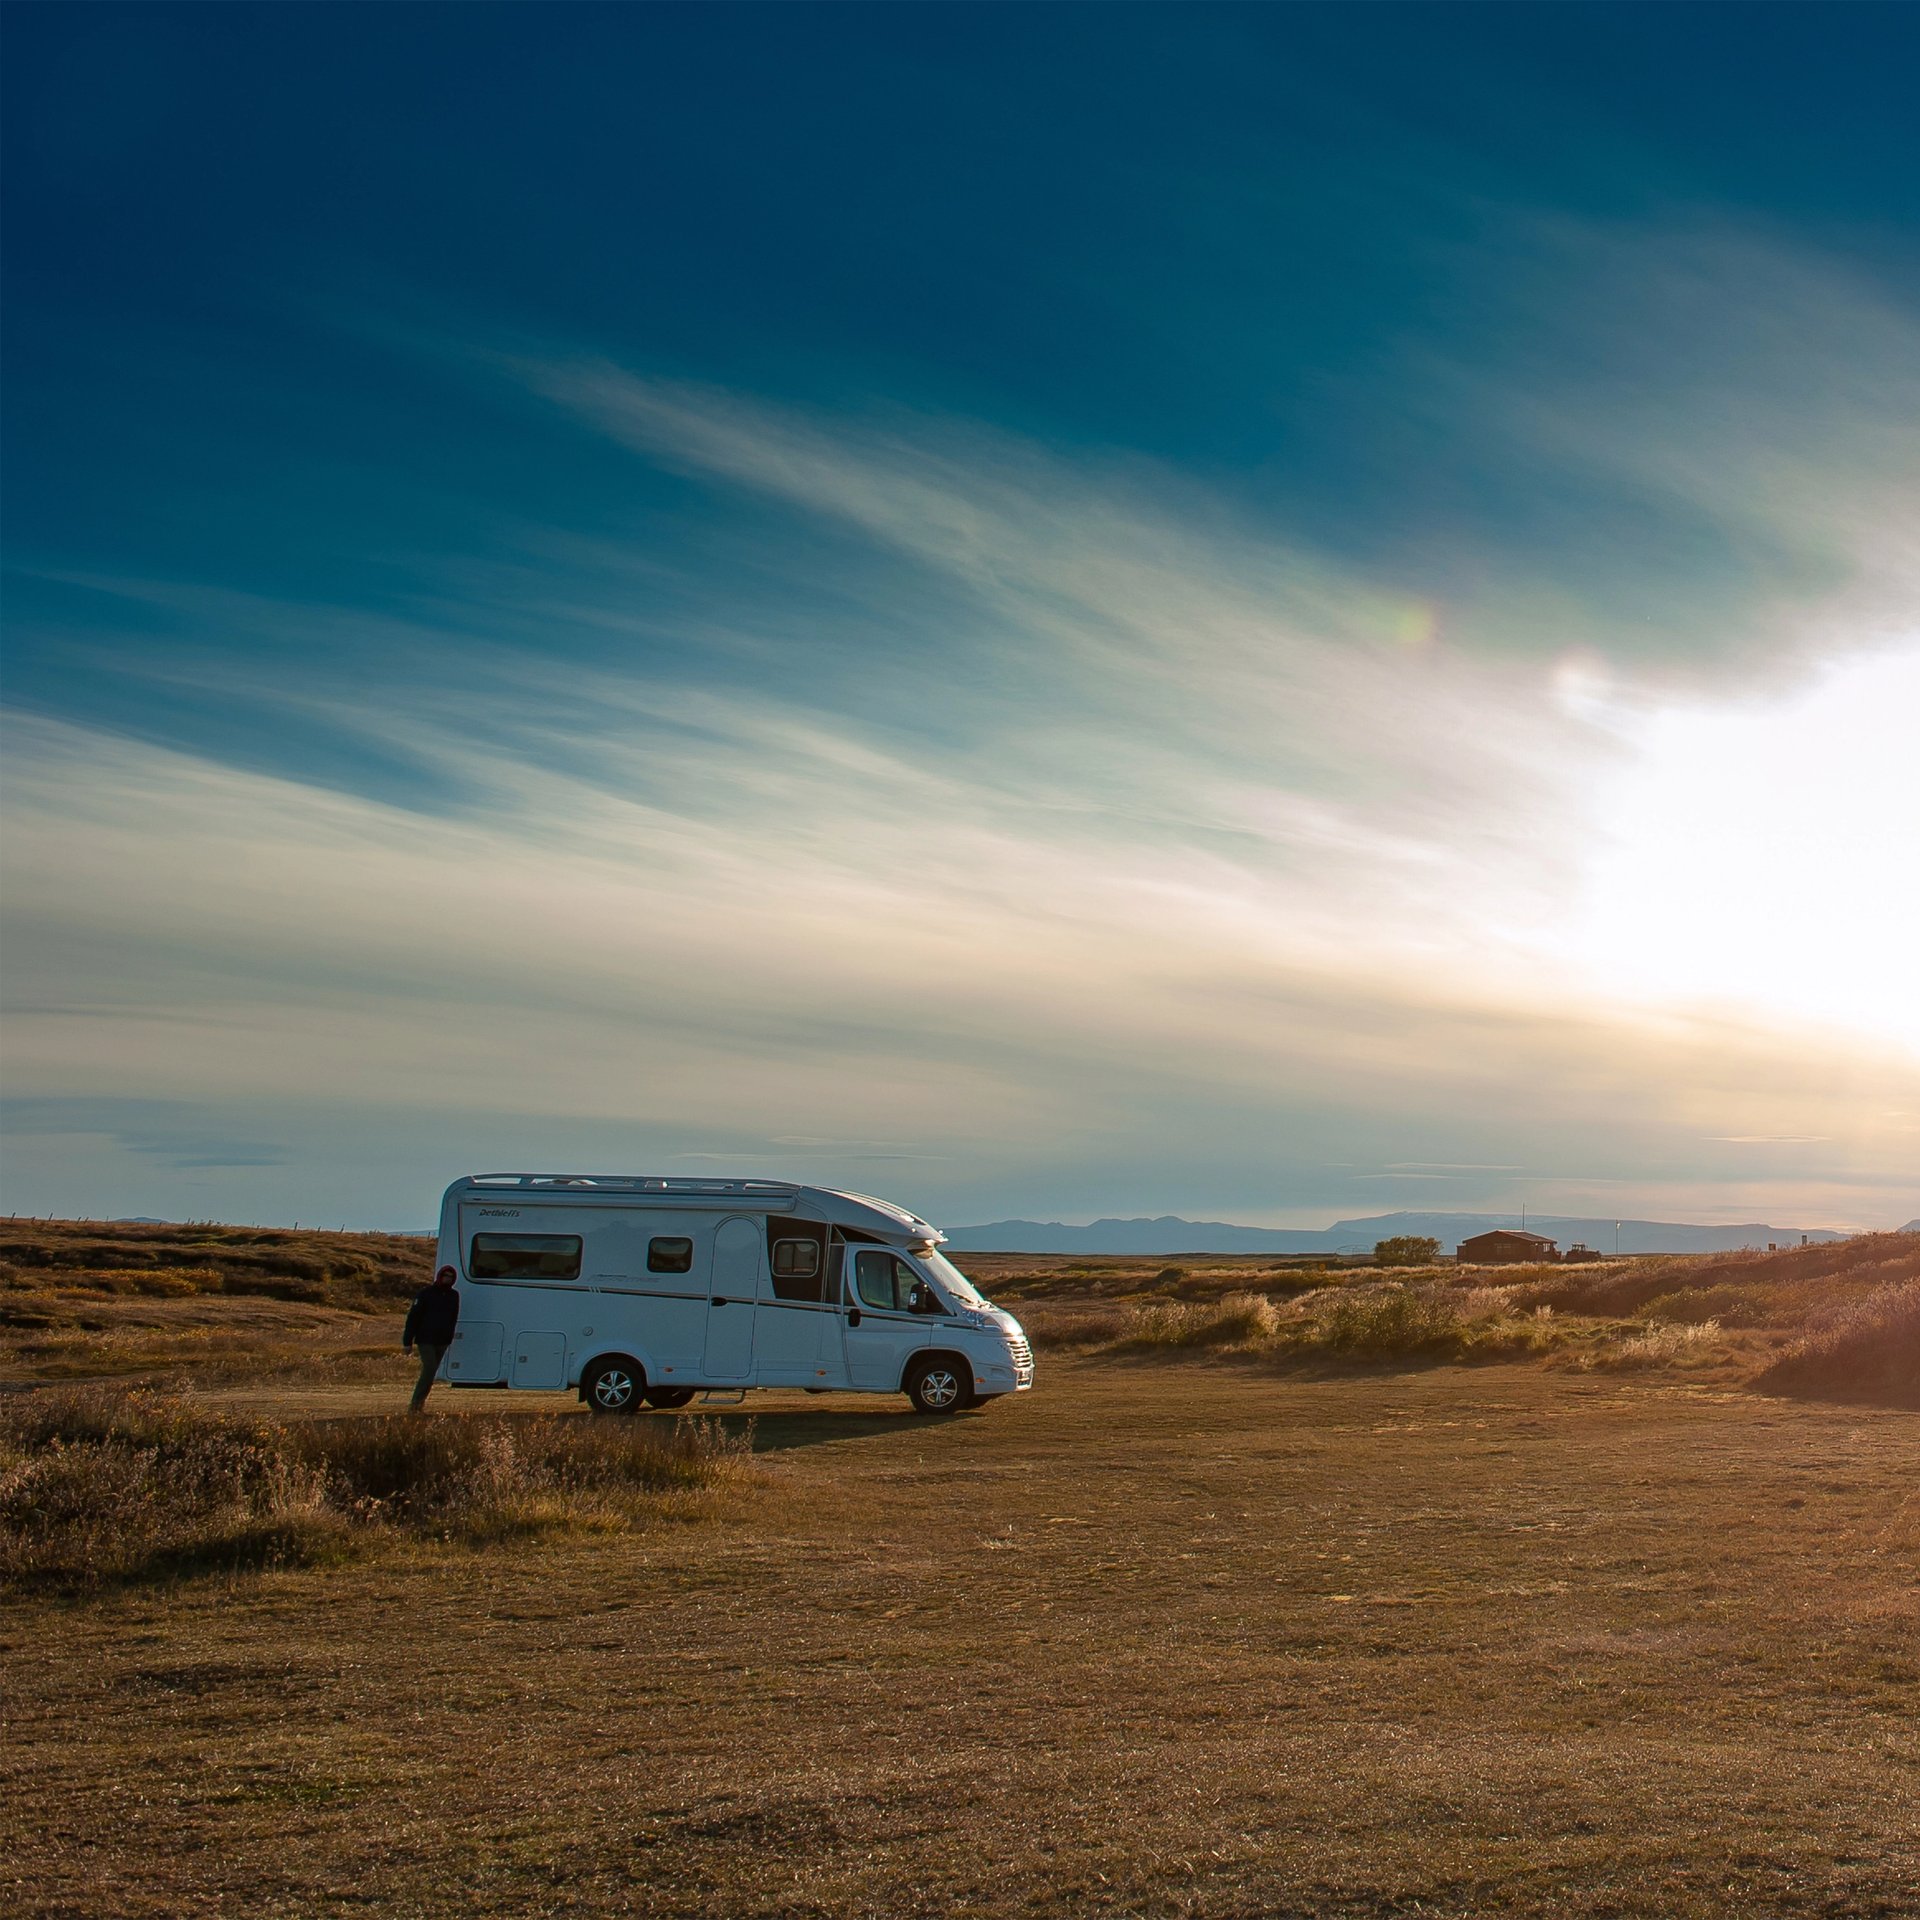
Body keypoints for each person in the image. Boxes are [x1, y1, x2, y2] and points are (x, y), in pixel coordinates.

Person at [402, 1268, 461, 1413]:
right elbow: (413, 1318)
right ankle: (415, 1404)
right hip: (425, 1338)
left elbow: (453, 1317)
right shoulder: (426, 1294)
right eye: (445, 1276)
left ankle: (419, 1405)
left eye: (451, 1276)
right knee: (429, 1368)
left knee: (431, 1371)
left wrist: (449, 1336)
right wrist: (407, 1341)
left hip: (442, 1340)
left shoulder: (453, 1295)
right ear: (439, 1276)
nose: (448, 1278)